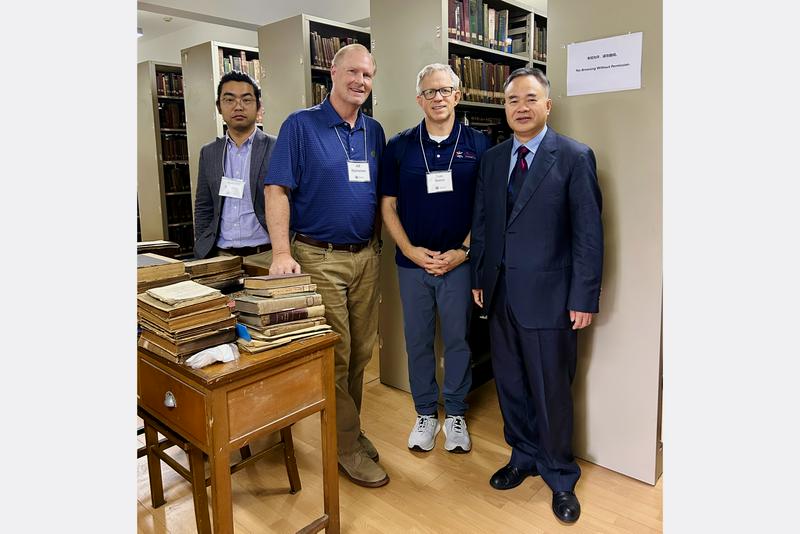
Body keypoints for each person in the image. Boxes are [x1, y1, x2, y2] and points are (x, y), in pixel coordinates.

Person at [470, 67, 603, 523]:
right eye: (512, 101)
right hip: (501, 293)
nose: (520, 108)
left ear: (547, 105)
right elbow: (485, 224)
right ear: (504, 108)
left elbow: (588, 234)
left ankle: (560, 474)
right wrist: (479, 277)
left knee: (550, 389)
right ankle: (522, 456)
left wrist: (584, 297)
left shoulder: (573, 156)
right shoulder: (492, 159)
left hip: (551, 297)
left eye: (530, 99)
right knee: (510, 384)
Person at [264, 44, 388, 488]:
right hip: (319, 257)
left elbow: (379, 195)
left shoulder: (374, 131)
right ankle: (346, 447)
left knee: (360, 353)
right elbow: (276, 190)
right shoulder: (300, 125)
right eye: (353, 71)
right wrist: (282, 253)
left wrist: (375, 245)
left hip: (365, 258)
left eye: (369, 75)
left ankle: (346, 429)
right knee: (335, 355)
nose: (361, 81)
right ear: (331, 73)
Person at [380, 63, 490, 454]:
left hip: (458, 264)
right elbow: (387, 206)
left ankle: (456, 413)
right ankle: (426, 412)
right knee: (418, 341)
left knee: (459, 341)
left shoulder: (479, 144)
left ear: (457, 95)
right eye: (430, 92)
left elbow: (487, 207)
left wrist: (463, 251)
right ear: (419, 99)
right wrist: (409, 250)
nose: (438, 98)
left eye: (445, 90)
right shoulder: (400, 146)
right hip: (413, 266)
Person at [193, 71, 275, 269]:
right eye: (229, 99)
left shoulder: (277, 148)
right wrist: (203, 244)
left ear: (259, 107)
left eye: (246, 99)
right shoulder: (209, 152)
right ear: (219, 107)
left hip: (266, 255)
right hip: (221, 256)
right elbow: (203, 205)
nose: (238, 106)